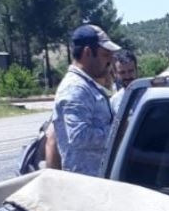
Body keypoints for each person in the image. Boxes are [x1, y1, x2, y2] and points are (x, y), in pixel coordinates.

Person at [46, 24, 120, 174]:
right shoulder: (76, 88)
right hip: (85, 181)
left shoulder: (88, 86)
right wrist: (118, 132)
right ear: (87, 52)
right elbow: (79, 136)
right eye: (105, 55)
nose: (110, 61)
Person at [110, 50, 138, 114]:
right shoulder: (114, 102)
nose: (127, 77)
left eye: (130, 71)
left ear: (136, 70)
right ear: (115, 74)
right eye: (122, 72)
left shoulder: (150, 94)